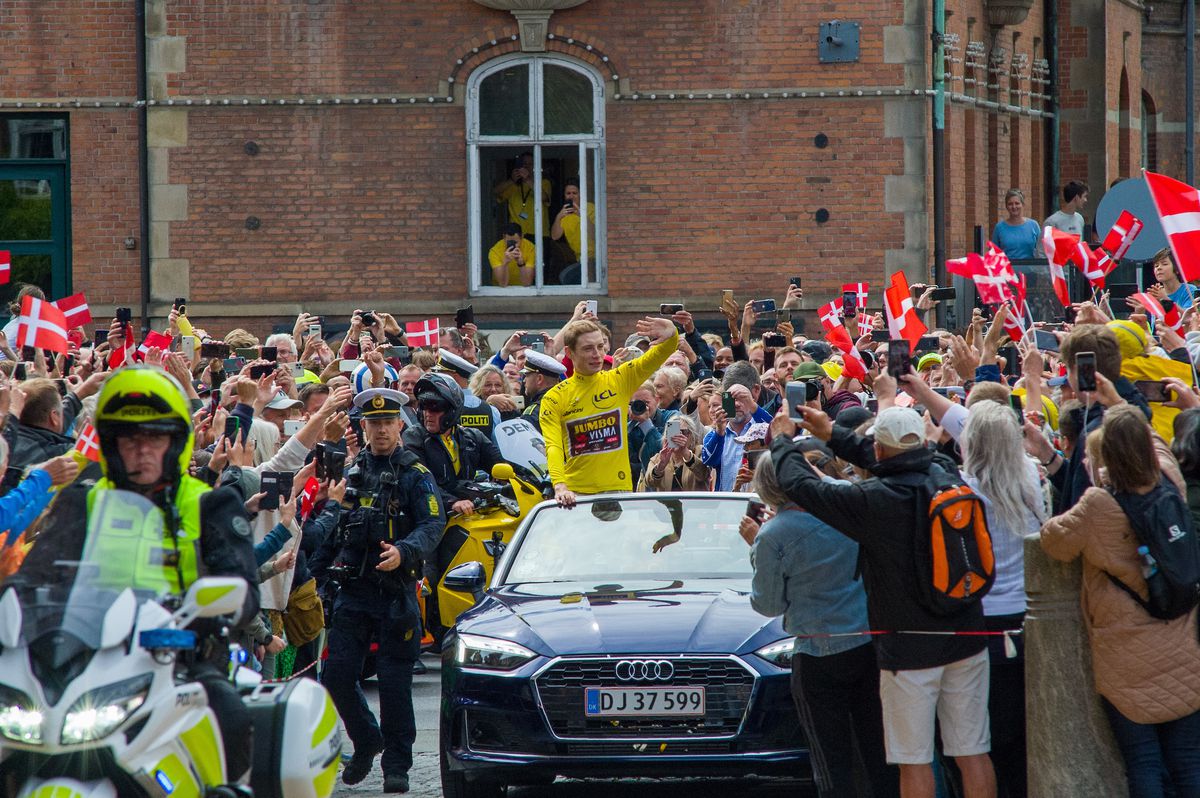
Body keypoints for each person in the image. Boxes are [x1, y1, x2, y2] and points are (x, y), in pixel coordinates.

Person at [15, 366, 260, 788]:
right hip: (85, 659)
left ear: (175, 443)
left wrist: (211, 609)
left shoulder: (210, 503)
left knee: (231, 715)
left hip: (183, 658)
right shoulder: (84, 503)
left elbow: (244, 589)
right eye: (130, 439)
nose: (142, 451)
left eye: (154, 438)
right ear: (112, 445)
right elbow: (39, 575)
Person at [769, 404, 995, 798]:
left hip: (907, 651)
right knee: (973, 752)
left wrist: (783, 442)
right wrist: (833, 434)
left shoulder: (873, 501)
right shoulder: (946, 470)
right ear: (922, 441)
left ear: (880, 450)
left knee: (914, 760)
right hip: (967, 635)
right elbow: (893, 459)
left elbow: (802, 486)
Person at [1041, 405, 1200, 797]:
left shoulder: (1097, 505)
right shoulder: (1170, 484)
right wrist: (1124, 403)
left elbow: (1053, 540)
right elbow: (1160, 452)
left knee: (1143, 762)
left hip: (1126, 657)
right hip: (1183, 644)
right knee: (1188, 761)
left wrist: (1096, 477)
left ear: (1106, 456)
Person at [310, 387, 445, 793]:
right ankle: (367, 740)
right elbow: (332, 532)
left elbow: (433, 526)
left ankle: (397, 765)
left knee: (393, 682)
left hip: (395, 592)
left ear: (400, 425)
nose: (382, 430)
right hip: (353, 590)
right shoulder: (351, 472)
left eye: (388, 422)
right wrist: (312, 580)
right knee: (337, 676)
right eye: (374, 423)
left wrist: (404, 552)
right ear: (363, 427)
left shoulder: (415, 474)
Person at [744, 450, 898, 798]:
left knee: (830, 759)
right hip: (867, 643)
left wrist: (756, 547)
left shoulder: (772, 535)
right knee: (879, 750)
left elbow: (767, 604)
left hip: (817, 652)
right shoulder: (845, 508)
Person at [540, 316, 678, 507]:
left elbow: (662, 353)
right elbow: (553, 446)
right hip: (576, 493)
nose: (597, 354)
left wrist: (671, 333)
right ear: (569, 352)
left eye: (600, 346)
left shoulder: (620, 379)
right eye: (588, 348)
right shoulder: (554, 397)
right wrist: (560, 485)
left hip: (617, 489)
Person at [701, 383, 771, 491]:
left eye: (743, 399)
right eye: (731, 400)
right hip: (725, 502)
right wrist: (720, 432)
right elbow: (709, 461)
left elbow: (777, 434)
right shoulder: (714, 434)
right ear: (724, 404)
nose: (737, 404)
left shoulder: (760, 430)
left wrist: (753, 406)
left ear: (752, 401)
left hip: (755, 500)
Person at [638, 414, 710, 491]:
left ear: (691, 436)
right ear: (666, 436)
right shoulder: (658, 458)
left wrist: (686, 453)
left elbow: (704, 474)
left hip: (694, 502)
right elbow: (649, 483)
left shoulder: (700, 451)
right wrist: (661, 466)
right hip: (667, 503)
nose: (678, 436)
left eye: (683, 432)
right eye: (673, 432)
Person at [493, 151, 550, 240]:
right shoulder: (513, 185)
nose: (527, 167)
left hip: (539, 232)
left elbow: (544, 197)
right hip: (516, 233)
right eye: (524, 164)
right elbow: (494, 192)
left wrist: (527, 180)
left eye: (530, 164)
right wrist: (512, 180)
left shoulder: (543, 183)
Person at [550, 177, 596, 265]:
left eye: (574, 193)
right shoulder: (565, 214)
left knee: (567, 277)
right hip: (580, 259)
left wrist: (582, 215)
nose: (571, 196)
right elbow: (555, 236)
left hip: (595, 257)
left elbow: (595, 235)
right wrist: (558, 217)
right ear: (564, 196)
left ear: (581, 194)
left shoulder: (590, 208)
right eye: (568, 193)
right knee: (565, 276)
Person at [519, 348, 565, 431]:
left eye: (526, 375)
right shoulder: (567, 403)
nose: (524, 380)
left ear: (539, 379)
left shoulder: (533, 414)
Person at [991, 188, 1042, 260]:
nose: (1014, 207)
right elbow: (994, 254)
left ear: (1023, 204)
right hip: (1008, 270)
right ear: (1006, 206)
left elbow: (1041, 250)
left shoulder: (1033, 225)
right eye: (1010, 204)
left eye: (1017, 203)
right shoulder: (999, 227)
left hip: (1030, 270)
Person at [487, 222, 536, 288]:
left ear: (522, 237)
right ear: (504, 237)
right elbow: (503, 284)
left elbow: (527, 283)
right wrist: (505, 263)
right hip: (500, 290)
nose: (513, 245)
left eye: (516, 242)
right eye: (509, 242)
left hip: (522, 289)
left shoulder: (530, 248)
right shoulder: (495, 251)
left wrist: (521, 263)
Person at [1150, 246, 1195, 310]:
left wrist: (1166, 299)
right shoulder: (1156, 294)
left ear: (1177, 269)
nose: (1158, 268)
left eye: (1164, 264)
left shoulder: (1190, 290)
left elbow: (1188, 317)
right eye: (1156, 266)